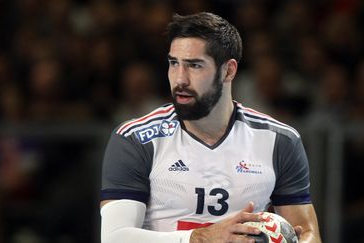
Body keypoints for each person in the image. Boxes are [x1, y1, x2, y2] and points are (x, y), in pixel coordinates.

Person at [100, 12, 321, 243]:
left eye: (194, 65)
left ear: (229, 70)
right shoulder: (136, 139)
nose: (180, 79)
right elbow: (115, 238)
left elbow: (306, 233)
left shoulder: (279, 140)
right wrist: (199, 238)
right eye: (174, 63)